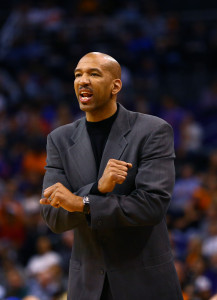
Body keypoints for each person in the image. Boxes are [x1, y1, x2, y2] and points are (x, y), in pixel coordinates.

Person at [40, 52, 183, 300]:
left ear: (116, 85)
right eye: (78, 74)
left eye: (94, 74)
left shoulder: (152, 131)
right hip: (87, 287)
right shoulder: (59, 139)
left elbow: (152, 205)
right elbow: (53, 216)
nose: (83, 80)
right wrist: (95, 191)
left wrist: (81, 203)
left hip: (144, 283)